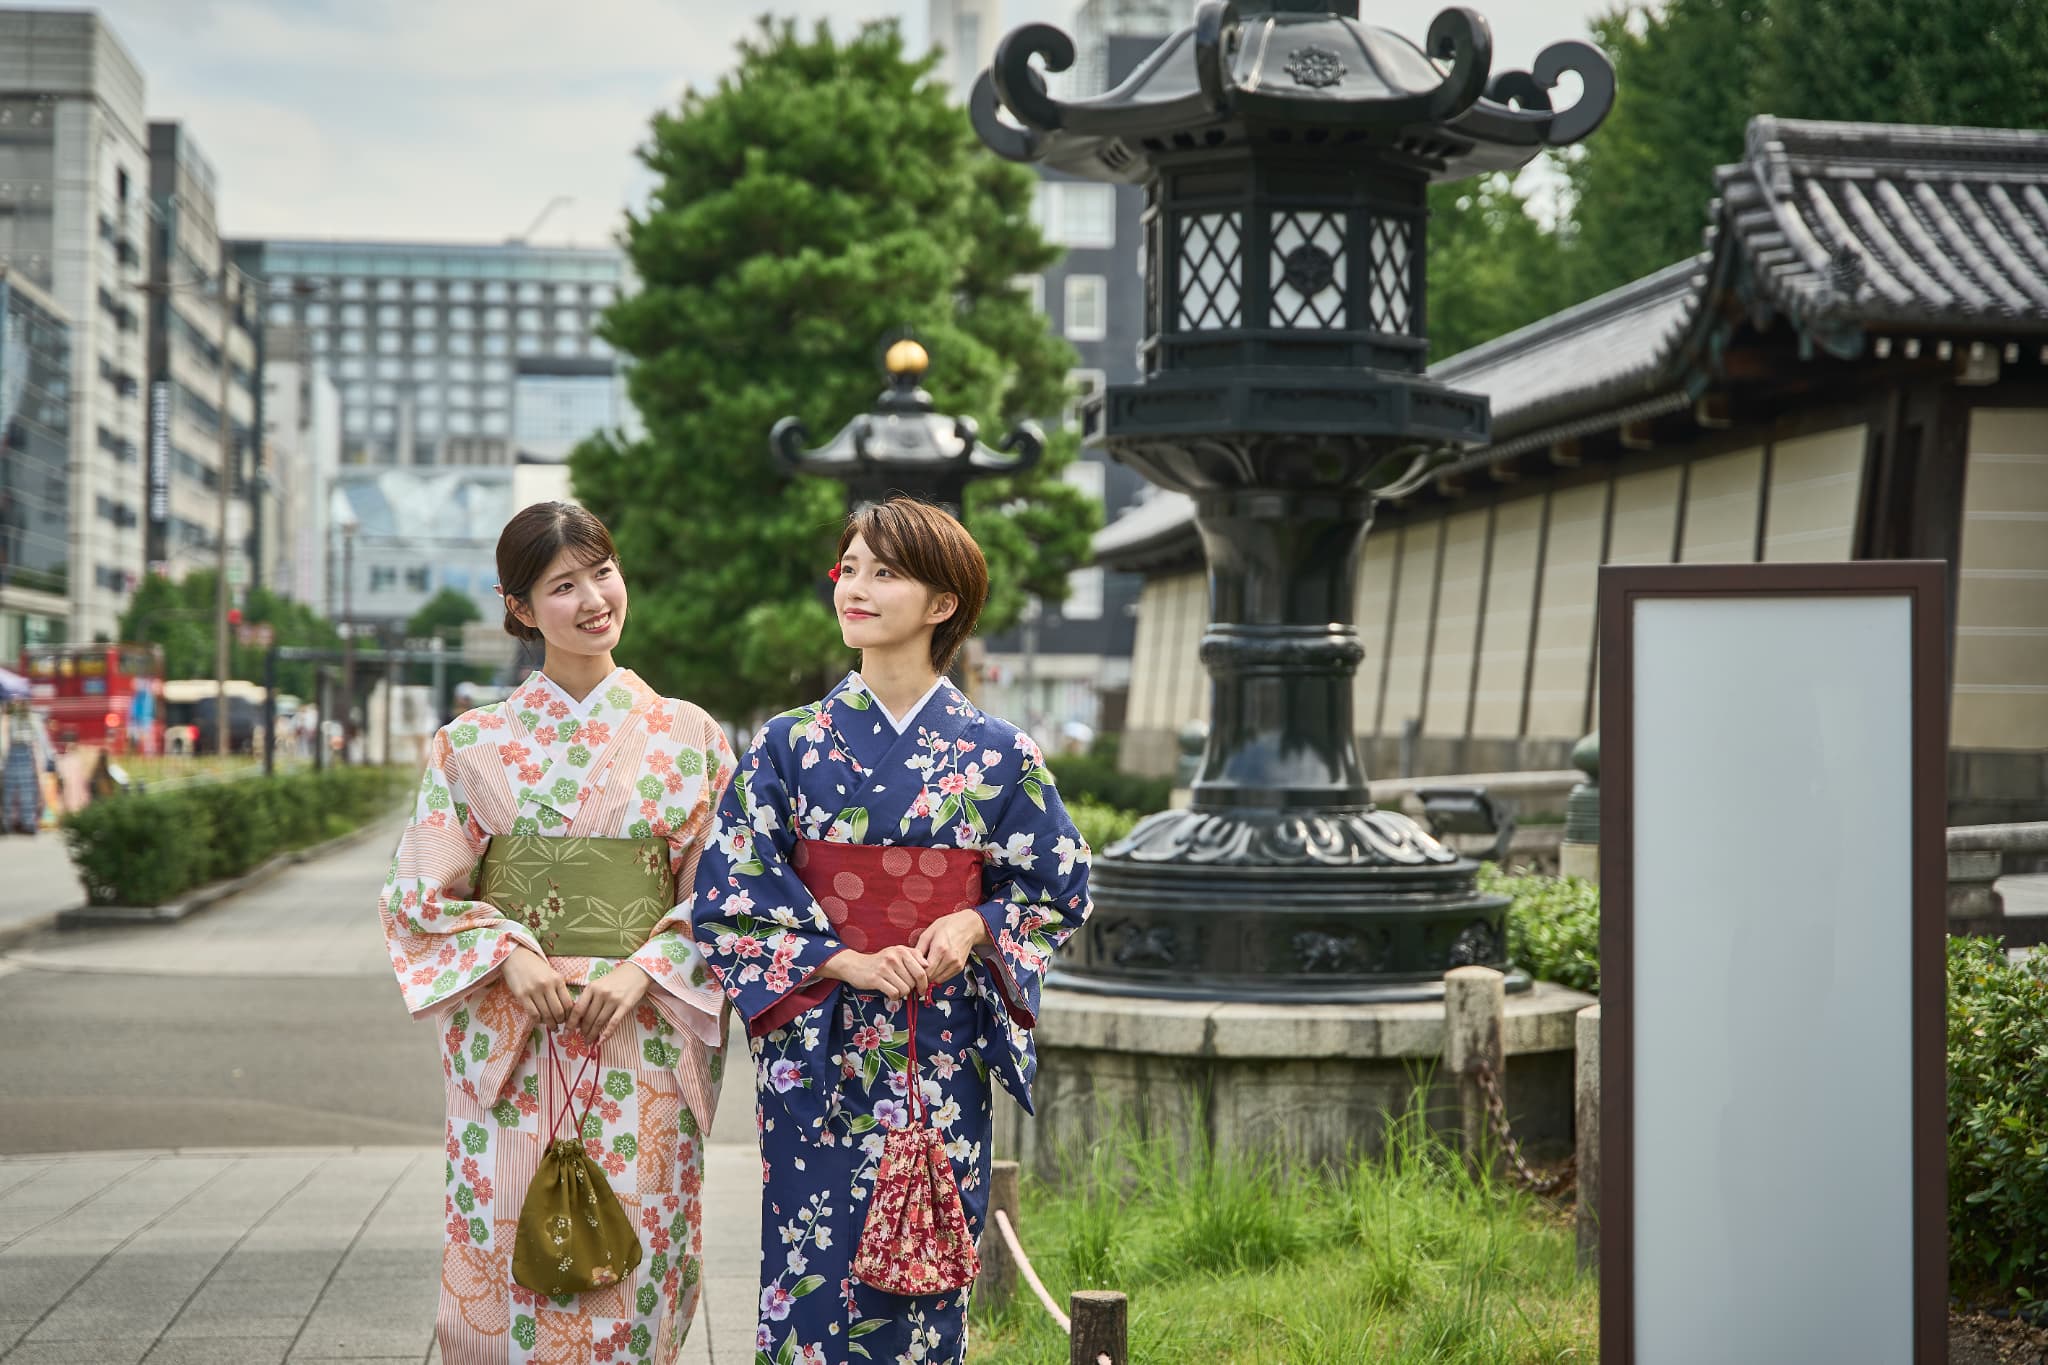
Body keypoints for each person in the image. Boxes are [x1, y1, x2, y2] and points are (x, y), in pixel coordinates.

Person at [693, 497, 1093, 1365]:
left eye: (885, 571)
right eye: (850, 568)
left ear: (942, 603)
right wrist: (845, 958)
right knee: (811, 1263)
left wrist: (974, 922)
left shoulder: (998, 753)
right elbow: (731, 894)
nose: (855, 588)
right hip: (820, 1043)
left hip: (936, 1044)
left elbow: (1060, 882)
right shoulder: (788, 743)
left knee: (923, 1273)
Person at [378, 501, 733, 1363]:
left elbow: (726, 898)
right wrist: (507, 950)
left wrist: (645, 968)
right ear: (522, 608)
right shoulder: (472, 744)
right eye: (562, 585)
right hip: (515, 1030)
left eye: (602, 572)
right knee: (503, 1241)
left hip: (638, 1032)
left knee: (635, 1246)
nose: (593, 598)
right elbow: (418, 894)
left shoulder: (689, 737)